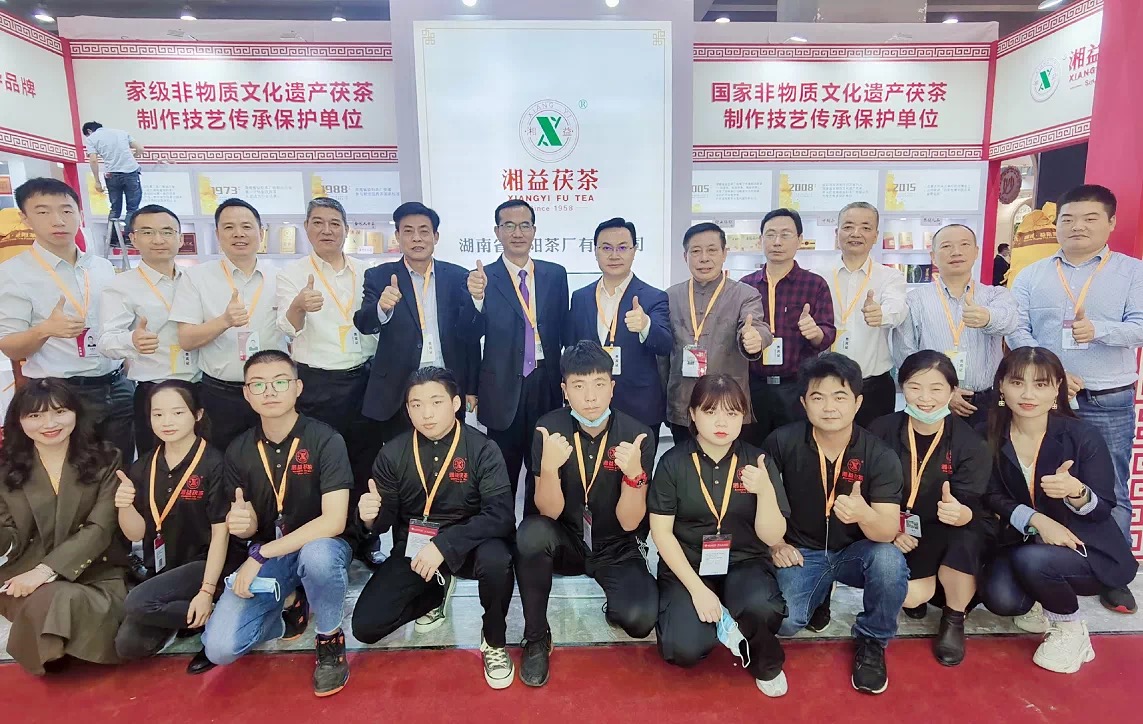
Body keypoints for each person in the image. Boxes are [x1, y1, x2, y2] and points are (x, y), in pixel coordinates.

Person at [1007, 184, 1143, 615]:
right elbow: (1017, 329)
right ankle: (1055, 560)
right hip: (1046, 399)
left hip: (1107, 397)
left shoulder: (1132, 272)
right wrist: (1050, 377)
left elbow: (1141, 325)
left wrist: (1101, 329)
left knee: (1110, 488)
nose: (1077, 226)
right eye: (1068, 219)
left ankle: (1114, 574)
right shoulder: (1033, 275)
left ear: (1111, 223)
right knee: (1046, 481)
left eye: (1089, 218)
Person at [200, 350, 353, 697]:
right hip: (270, 555)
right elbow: (246, 525)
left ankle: (329, 638)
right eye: (258, 384)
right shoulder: (239, 450)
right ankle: (291, 605)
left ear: (298, 387)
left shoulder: (325, 440)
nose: (269, 391)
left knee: (317, 556)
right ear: (246, 393)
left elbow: (334, 520)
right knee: (220, 648)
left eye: (280, 382)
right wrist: (245, 524)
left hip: (320, 546)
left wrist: (261, 553)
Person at [351, 367, 516, 689]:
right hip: (415, 549)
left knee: (498, 559)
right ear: (407, 408)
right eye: (416, 404)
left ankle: (494, 640)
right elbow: (384, 521)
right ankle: (435, 592)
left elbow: (501, 515)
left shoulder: (482, 449)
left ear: (455, 404)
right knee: (366, 627)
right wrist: (369, 517)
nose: (426, 413)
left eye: (436, 402)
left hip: (472, 544)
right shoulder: (393, 453)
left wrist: (444, 545)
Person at [979, 346, 1138, 673]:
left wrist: (1076, 492)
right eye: (1017, 382)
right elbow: (990, 494)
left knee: (1033, 561)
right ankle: (1040, 599)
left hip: (1084, 546)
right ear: (1001, 386)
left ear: (1057, 389)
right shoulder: (987, 433)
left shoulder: (1081, 435)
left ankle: (1071, 630)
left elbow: (1102, 508)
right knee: (1002, 598)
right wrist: (1036, 519)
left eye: (1040, 384)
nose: (1028, 394)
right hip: (1022, 540)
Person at [516, 341, 658, 686]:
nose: (590, 397)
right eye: (579, 386)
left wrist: (634, 476)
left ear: (612, 387)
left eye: (599, 384)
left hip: (615, 544)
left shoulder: (637, 435)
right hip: (565, 538)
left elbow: (630, 522)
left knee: (640, 620)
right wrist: (549, 468)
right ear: (565, 390)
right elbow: (548, 511)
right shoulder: (548, 429)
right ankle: (536, 636)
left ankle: (615, 603)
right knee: (530, 535)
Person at [768, 353, 908, 695]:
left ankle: (872, 641)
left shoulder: (880, 455)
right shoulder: (781, 442)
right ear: (804, 403)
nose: (829, 407)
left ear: (858, 402)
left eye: (840, 397)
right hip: (801, 551)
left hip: (855, 552)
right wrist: (776, 544)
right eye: (818, 397)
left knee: (890, 562)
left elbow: (887, 531)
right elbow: (761, 505)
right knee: (784, 622)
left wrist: (864, 514)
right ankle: (819, 596)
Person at [649, 374, 791, 697]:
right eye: (711, 412)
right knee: (683, 648)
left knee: (759, 606)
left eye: (732, 412)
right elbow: (662, 533)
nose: (722, 422)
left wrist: (765, 491)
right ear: (693, 414)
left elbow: (773, 536)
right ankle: (719, 618)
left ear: (744, 415)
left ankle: (765, 659)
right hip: (688, 564)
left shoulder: (758, 461)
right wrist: (698, 590)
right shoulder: (672, 463)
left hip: (744, 560)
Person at [866, 351, 990, 666]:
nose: (925, 399)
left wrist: (960, 512)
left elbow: (973, 503)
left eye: (936, 389)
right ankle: (929, 590)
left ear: (952, 391)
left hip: (948, 527)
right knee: (911, 597)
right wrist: (891, 528)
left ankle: (954, 617)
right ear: (901, 387)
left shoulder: (970, 442)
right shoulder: (881, 430)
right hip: (899, 526)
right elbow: (866, 489)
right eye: (915, 387)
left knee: (966, 539)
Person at [0, 178, 135, 465]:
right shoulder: (13, 273)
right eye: (43, 212)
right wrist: (45, 330)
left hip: (117, 387)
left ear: (80, 214)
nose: (58, 220)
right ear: (25, 218)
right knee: (75, 473)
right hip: (61, 394)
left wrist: (126, 362)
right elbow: (10, 346)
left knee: (121, 470)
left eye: (66, 210)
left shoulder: (101, 267)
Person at [0, 378, 128, 675]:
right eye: (35, 415)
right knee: (48, 599)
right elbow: (10, 537)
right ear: (19, 421)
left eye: (59, 412)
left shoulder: (106, 458)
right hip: (24, 577)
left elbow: (100, 527)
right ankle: (57, 645)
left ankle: (55, 645)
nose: (50, 424)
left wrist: (45, 571)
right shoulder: (6, 468)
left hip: (94, 570)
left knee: (63, 598)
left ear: (76, 413)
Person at [111, 381, 241, 675]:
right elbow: (135, 534)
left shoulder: (215, 463)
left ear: (197, 414)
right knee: (128, 646)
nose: (166, 422)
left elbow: (221, 534)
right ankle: (193, 615)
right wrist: (124, 505)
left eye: (177, 413)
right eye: (158, 414)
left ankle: (215, 609)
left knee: (138, 603)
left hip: (207, 563)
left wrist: (206, 590)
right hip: (165, 568)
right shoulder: (144, 466)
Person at [462, 199, 569, 514]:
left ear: (534, 230)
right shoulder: (482, 277)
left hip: (546, 384)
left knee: (543, 466)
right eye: (508, 225)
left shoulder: (555, 275)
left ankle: (537, 534)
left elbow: (563, 329)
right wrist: (476, 299)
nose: (517, 233)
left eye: (524, 225)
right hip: (501, 389)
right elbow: (467, 335)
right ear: (497, 232)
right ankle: (501, 533)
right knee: (502, 473)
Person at [276, 198, 377, 501]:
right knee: (319, 460)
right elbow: (288, 328)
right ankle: (322, 525)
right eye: (318, 223)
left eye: (335, 223)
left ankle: (361, 527)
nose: (327, 230)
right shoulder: (292, 273)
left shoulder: (367, 271)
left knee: (364, 458)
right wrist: (299, 305)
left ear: (347, 229)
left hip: (363, 380)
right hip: (318, 383)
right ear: (306, 227)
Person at [355, 201, 477, 449]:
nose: (416, 238)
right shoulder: (379, 275)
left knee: (449, 454)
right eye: (408, 231)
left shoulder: (458, 277)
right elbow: (364, 323)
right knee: (401, 456)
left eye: (424, 231)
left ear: (436, 236)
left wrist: (472, 388)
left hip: (446, 384)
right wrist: (382, 307)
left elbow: (470, 337)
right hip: (397, 388)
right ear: (398, 236)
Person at [171, 198, 286, 452]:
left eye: (246, 226)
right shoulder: (196, 277)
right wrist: (224, 321)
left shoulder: (281, 277)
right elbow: (186, 339)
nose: (238, 234)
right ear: (217, 234)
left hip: (271, 392)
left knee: (274, 460)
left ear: (261, 233)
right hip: (220, 394)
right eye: (229, 227)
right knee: (222, 460)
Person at [99, 205, 200, 456]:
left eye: (167, 232)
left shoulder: (197, 279)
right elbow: (106, 341)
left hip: (201, 387)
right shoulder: (121, 286)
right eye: (147, 232)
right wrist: (131, 340)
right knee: (156, 463)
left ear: (180, 238)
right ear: (133, 239)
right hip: (155, 390)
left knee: (205, 462)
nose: (158, 240)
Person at [893, 224, 1019, 427]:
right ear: (933, 256)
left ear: (976, 252)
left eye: (964, 244)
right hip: (931, 402)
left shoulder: (995, 295)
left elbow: (1010, 322)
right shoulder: (914, 300)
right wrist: (944, 393)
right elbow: (905, 355)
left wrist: (987, 318)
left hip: (986, 402)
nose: (956, 252)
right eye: (946, 246)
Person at [568, 218, 672, 442]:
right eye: (606, 248)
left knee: (637, 465)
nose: (614, 255)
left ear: (634, 251)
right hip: (590, 407)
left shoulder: (653, 296)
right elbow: (572, 348)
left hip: (639, 408)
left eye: (623, 248)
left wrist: (645, 325)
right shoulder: (580, 297)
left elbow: (665, 344)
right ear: (595, 251)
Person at [665, 222, 770, 444]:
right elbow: (662, 357)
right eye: (696, 251)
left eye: (712, 250)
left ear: (724, 253)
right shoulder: (670, 297)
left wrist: (755, 338)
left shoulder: (745, 295)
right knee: (683, 462)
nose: (704, 258)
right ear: (685, 257)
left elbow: (756, 326)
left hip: (727, 405)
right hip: (683, 404)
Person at [740, 209, 836, 443]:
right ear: (760, 240)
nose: (777, 242)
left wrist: (815, 333)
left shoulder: (815, 284)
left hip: (796, 387)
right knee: (752, 450)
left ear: (799, 240)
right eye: (770, 234)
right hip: (754, 387)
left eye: (785, 235)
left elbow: (827, 332)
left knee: (795, 451)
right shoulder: (745, 286)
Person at [825, 202, 907, 427]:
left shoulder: (890, 277)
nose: (856, 233)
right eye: (848, 226)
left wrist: (882, 314)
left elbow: (898, 308)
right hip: (827, 385)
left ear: (876, 236)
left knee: (875, 445)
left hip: (874, 388)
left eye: (865, 227)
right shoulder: (819, 276)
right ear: (837, 232)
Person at [82, 121, 144, 226]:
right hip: (131, 172)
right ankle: (129, 234)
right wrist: (132, 158)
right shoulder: (122, 133)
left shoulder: (91, 138)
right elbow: (140, 149)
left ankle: (112, 235)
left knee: (115, 208)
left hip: (112, 175)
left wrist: (97, 181)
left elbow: (93, 160)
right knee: (132, 208)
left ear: (89, 131)